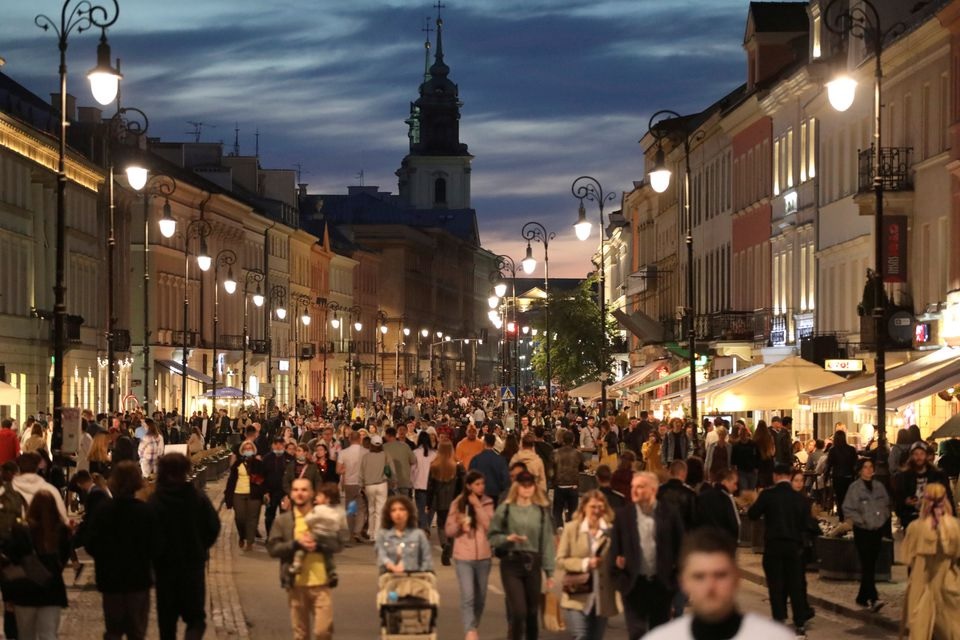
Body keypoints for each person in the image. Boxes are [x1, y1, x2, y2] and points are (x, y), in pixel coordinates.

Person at [642, 528, 795, 640]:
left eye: (720, 575)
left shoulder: (775, 637)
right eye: (699, 576)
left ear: (736, 578)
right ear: (683, 583)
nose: (710, 586)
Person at [149, 453, 220, 640]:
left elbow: (147, 534)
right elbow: (213, 526)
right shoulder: (197, 497)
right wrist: (200, 546)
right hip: (192, 567)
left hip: (164, 569)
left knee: (167, 623)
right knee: (196, 619)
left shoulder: (155, 501)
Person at [84, 461, 158, 640]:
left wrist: (104, 557)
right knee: (137, 632)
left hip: (111, 579)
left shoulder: (104, 510)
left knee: (113, 631)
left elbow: (90, 543)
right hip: (138, 580)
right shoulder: (145, 512)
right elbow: (157, 545)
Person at [610, 471, 683, 639]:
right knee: (637, 633)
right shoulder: (623, 516)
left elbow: (681, 549)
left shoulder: (670, 514)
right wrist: (620, 581)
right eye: (632, 487)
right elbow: (614, 550)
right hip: (634, 585)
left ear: (653, 490)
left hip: (661, 585)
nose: (634, 491)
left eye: (640, 487)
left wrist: (674, 581)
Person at [267, 477, 341, 640]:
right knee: (300, 634)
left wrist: (319, 545)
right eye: (296, 490)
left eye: (304, 490)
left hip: (321, 583)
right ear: (291, 494)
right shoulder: (284, 521)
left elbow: (337, 543)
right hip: (296, 584)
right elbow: (273, 548)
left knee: (323, 632)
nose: (300, 493)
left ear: (312, 493)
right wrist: (296, 544)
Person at [746, 463, 814, 635]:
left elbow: (753, 514)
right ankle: (799, 622)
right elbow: (807, 524)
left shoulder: (768, 495)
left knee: (776, 585)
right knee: (795, 585)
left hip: (774, 545)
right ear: (789, 476)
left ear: (776, 476)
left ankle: (779, 618)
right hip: (794, 546)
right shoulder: (800, 498)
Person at [488, 470, 555, 640]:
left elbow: (547, 542)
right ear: (516, 487)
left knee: (532, 612)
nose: (526, 489)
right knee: (519, 610)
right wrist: (507, 538)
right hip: (511, 562)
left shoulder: (540, 512)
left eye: (530, 485)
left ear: (534, 487)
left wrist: (550, 572)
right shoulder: (506, 509)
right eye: (523, 485)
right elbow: (492, 536)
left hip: (533, 562)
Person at [3, 492, 71, 639]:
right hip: (51, 588)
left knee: (26, 634)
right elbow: (63, 559)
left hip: (25, 590)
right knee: (48, 634)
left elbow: (11, 562)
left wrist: (8, 595)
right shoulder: (61, 531)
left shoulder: (21, 530)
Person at [556, 490, 619, 640]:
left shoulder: (610, 531)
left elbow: (618, 559)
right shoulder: (572, 529)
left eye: (600, 507)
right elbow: (560, 560)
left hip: (602, 596)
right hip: (577, 594)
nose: (596, 511)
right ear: (584, 507)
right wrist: (584, 564)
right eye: (592, 507)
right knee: (581, 635)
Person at [901, 482, 960, 640]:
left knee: (921, 631)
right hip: (948, 584)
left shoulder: (915, 528)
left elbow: (907, 558)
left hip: (922, 584)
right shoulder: (954, 527)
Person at [445, 470, 494, 640]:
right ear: (468, 486)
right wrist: (458, 525)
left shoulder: (487, 503)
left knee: (480, 598)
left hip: (483, 556)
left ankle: (473, 625)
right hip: (463, 557)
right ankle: (470, 630)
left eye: (482, 484)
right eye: (477, 484)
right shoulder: (457, 503)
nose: (481, 487)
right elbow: (448, 530)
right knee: (468, 595)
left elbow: (490, 526)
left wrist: (477, 506)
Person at [841, 458, 890, 612]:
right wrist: (860, 521)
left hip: (876, 529)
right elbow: (848, 508)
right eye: (865, 467)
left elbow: (886, 505)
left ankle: (862, 597)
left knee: (870, 564)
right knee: (867, 562)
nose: (868, 470)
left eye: (870, 467)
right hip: (862, 531)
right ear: (860, 470)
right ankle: (874, 598)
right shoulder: (855, 488)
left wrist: (882, 518)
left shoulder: (879, 487)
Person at [894, 441, 954, 530]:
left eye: (922, 454)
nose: (919, 457)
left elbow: (948, 497)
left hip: (934, 519)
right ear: (911, 456)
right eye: (916, 454)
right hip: (912, 520)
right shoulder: (903, 476)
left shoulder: (938, 475)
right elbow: (898, 498)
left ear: (926, 455)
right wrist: (905, 502)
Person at [375, 495, 434, 573]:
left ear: (409, 512)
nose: (398, 513)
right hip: (390, 577)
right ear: (389, 514)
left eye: (402, 509)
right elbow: (381, 556)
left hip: (415, 578)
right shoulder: (383, 535)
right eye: (393, 510)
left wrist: (408, 568)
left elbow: (427, 560)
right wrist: (392, 567)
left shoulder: (418, 535)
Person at [225, 439, 266, 551]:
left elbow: (263, 479)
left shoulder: (258, 463)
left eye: (250, 448)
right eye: (246, 449)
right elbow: (231, 481)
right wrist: (227, 496)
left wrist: (263, 492)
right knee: (240, 518)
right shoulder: (237, 464)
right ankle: (242, 536)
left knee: (252, 519)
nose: (248, 450)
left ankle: (250, 541)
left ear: (254, 450)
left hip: (254, 494)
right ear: (242, 451)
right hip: (238, 493)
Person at [428, 440, 462, 565]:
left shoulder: (434, 465)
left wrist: (428, 502)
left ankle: (444, 544)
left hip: (439, 500)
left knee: (441, 525)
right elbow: (461, 485)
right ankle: (450, 546)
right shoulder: (457, 466)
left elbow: (430, 486)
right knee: (453, 525)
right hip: (453, 500)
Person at [12, 453, 67, 522]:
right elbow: (62, 518)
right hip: (43, 531)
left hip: (13, 531)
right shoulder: (50, 490)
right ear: (37, 467)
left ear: (17, 467)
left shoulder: (7, 489)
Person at [361, 435, 396, 540]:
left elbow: (361, 472)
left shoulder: (366, 457)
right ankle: (377, 534)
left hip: (369, 486)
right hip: (382, 484)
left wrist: (361, 484)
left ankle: (371, 533)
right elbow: (392, 470)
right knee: (380, 510)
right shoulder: (385, 455)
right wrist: (393, 481)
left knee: (371, 509)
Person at [336, 430, 368, 542]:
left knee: (350, 509)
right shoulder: (366, 452)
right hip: (361, 484)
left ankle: (350, 534)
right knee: (361, 508)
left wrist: (346, 469)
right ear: (360, 439)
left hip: (348, 483)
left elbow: (338, 470)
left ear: (349, 439)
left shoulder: (343, 453)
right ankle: (357, 531)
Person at [697, 468, 741, 540]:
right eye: (735, 483)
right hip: (721, 542)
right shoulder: (727, 498)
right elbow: (735, 524)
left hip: (703, 541)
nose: (736, 488)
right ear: (725, 481)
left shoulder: (702, 496)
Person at [469, 433, 509, 506]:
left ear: (484, 443)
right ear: (494, 443)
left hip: (479, 494)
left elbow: (470, 477)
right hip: (496, 494)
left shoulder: (476, 459)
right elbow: (505, 479)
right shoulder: (500, 460)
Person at [825, 429, 858, 521]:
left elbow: (829, 465)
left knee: (840, 499)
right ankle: (849, 517)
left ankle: (841, 518)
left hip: (837, 477)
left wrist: (826, 477)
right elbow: (855, 463)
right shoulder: (851, 449)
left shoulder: (832, 450)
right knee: (849, 497)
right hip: (849, 477)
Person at [552, 431, 583, 526]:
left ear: (562, 440)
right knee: (573, 511)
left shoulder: (556, 453)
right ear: (573, 440)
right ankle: (571, 529)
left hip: (559, 485)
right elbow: (581, 468)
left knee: (557, 510)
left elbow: (552, 469)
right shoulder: (578, 453)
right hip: (573, 484)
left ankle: (559, 527)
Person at [657, 459, 698, 531]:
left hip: (662, 533)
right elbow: (694, 520)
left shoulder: (659, 490)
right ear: (684, 473)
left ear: (670, 472)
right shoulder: (690, 494)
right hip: (684, 535)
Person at [262, 437, 291, 535]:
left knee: (285, 516)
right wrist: (265, 492)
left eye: (281, 444)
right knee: (269, 516)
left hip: (284, 493)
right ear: (273, 445)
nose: (278, 446)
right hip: (270, 492)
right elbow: (263, 476)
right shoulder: (266, 458)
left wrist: (289, 494)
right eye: (276, 444)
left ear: (284, 446)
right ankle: (270, 536)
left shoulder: (289, 458)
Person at [383, 426, 416, 498]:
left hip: (389, 482)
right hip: (404, 481)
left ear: (387, 435)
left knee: (391, 505)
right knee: (404, 505)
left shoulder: (383, 448)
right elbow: (413, 461)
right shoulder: (405, 446)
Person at [754, 420, 776, 488]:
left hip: (758, 462)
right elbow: (773, 451)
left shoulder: (755, 438)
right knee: (769, 483)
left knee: (760, 484)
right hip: (769, 461)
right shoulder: (769, 437)